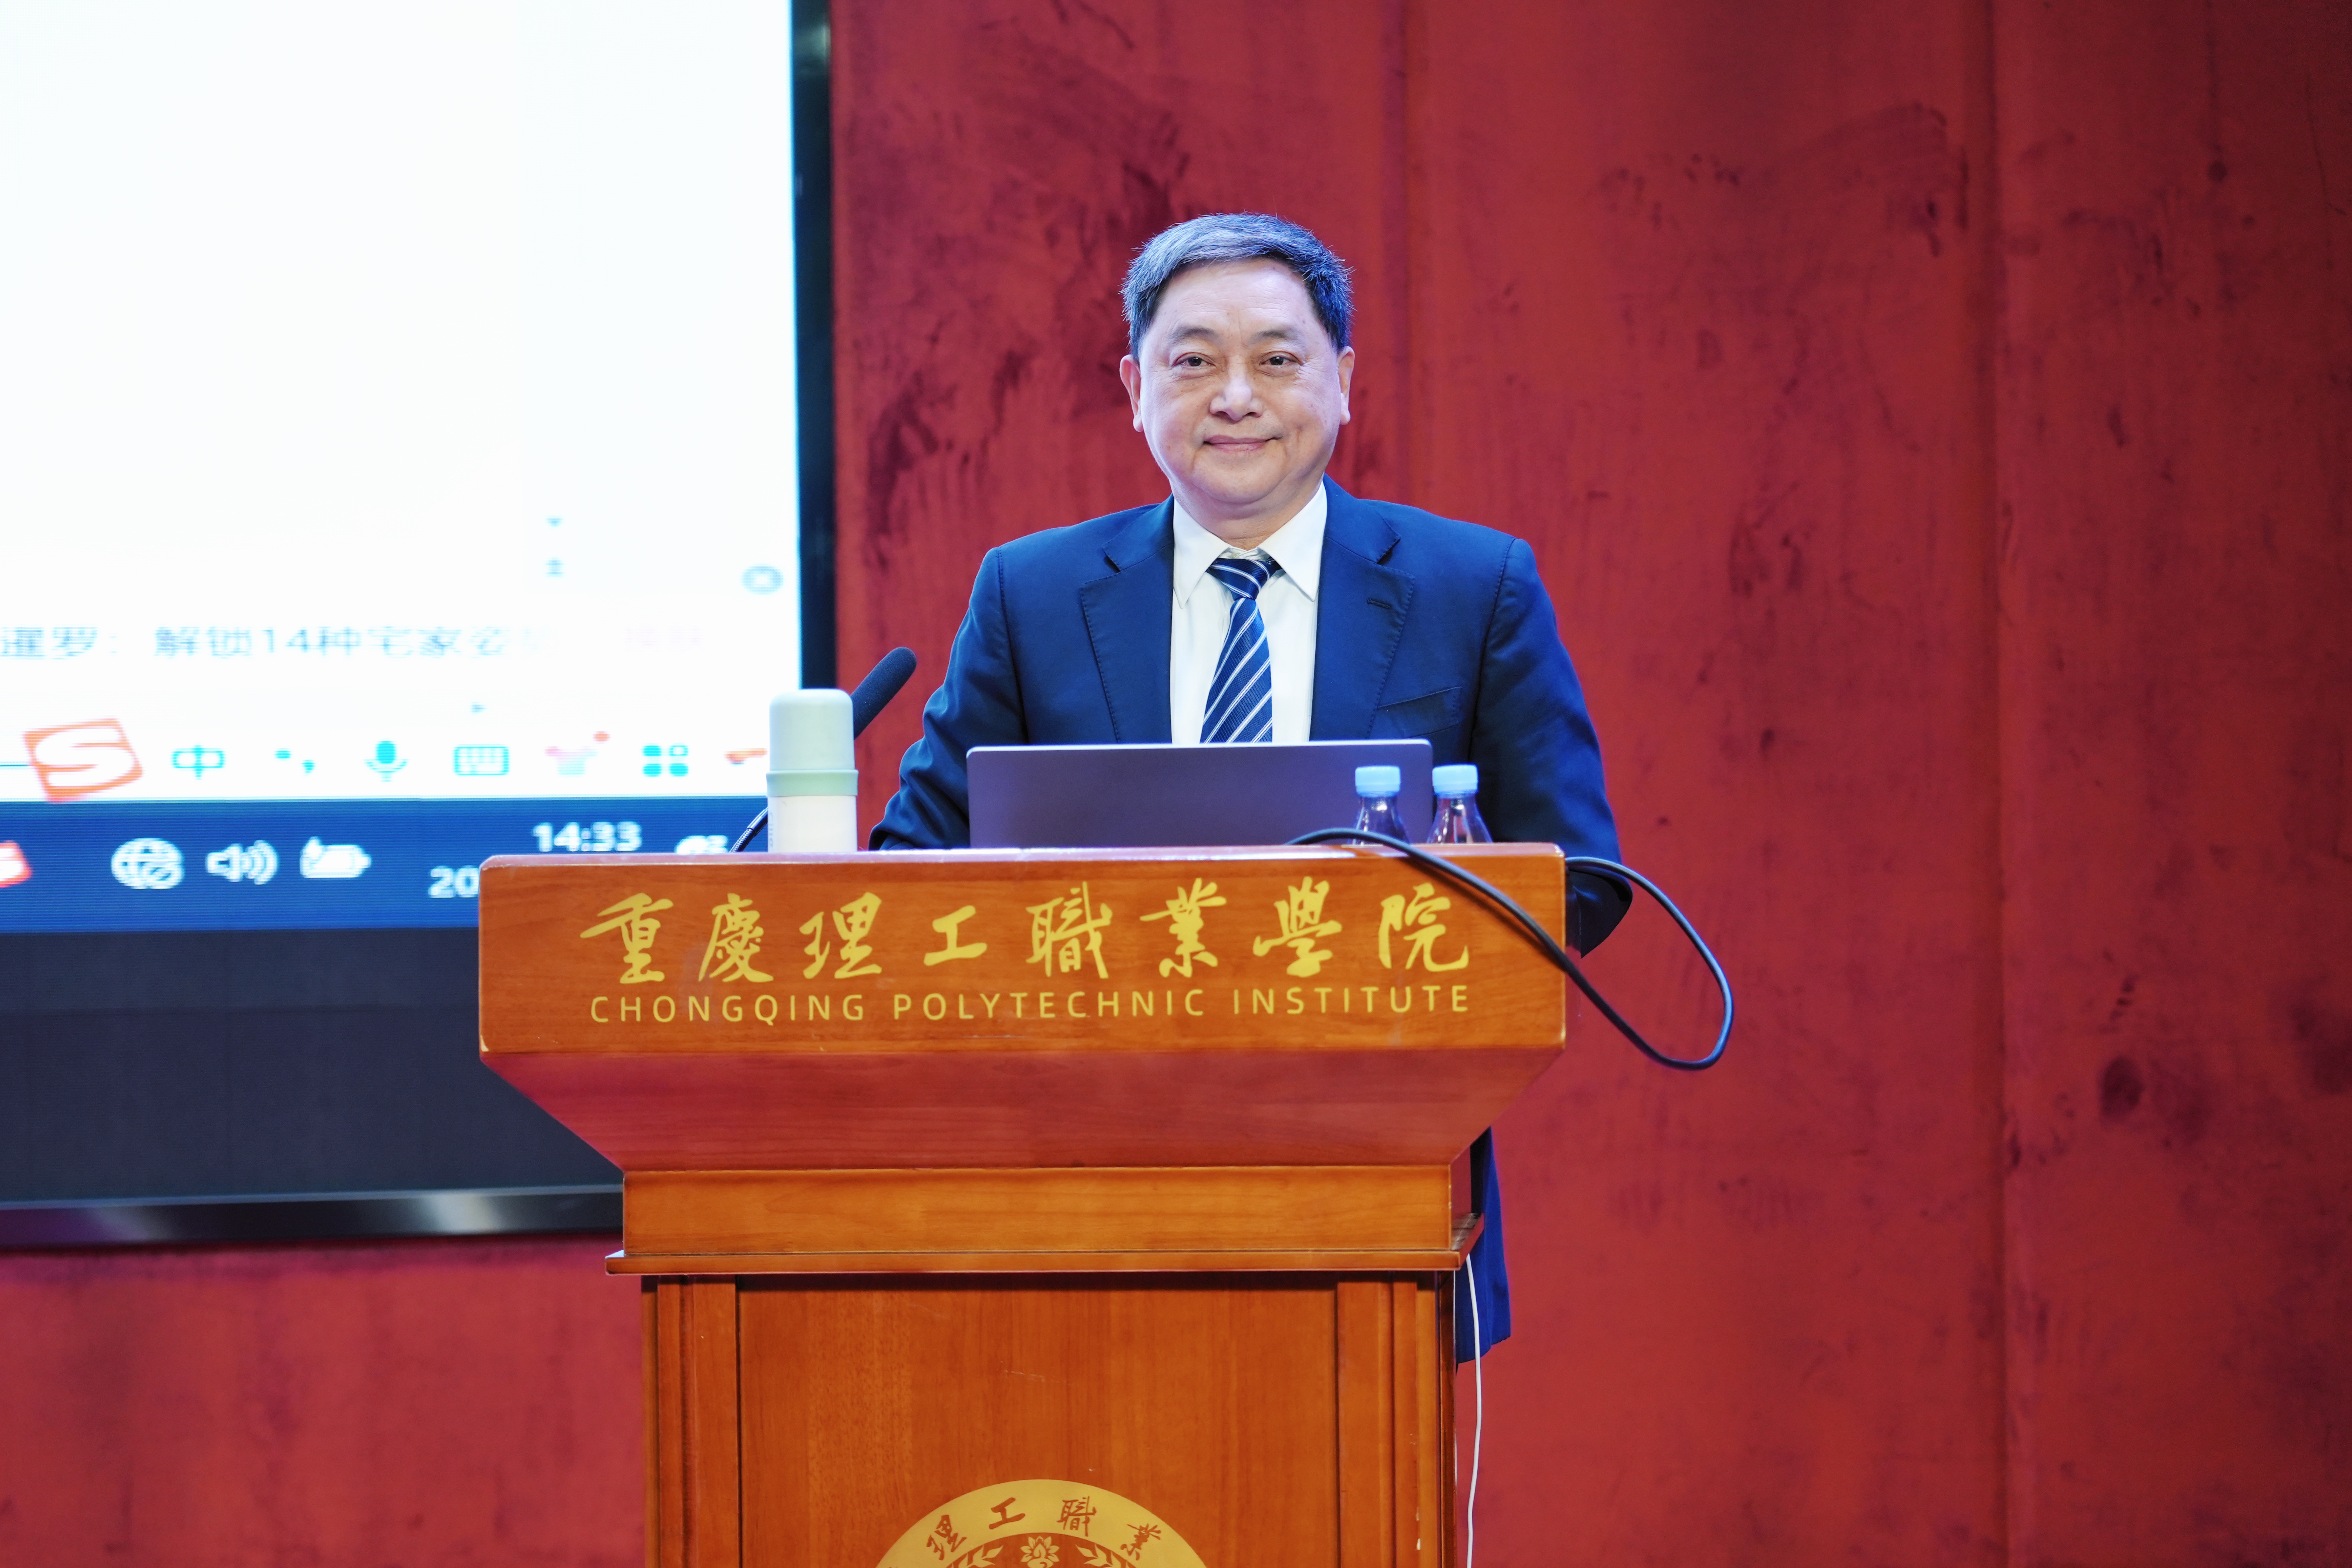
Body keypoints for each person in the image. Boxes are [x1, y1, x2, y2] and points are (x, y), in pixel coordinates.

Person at [874, 214, 1626, 1358]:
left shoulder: (1472, 587)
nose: (1235, 396)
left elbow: (1584, 877)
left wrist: (1433, 970)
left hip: (1381, 1177)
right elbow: (914, 865)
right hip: (1077, 1184)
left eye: (1276, 359)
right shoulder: (1033, 593)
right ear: (1136, 389)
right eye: (1193, 361)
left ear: (1343, 381)